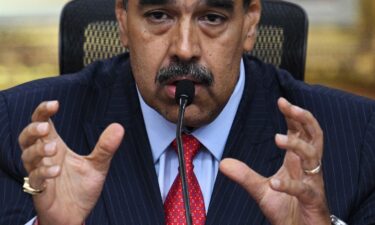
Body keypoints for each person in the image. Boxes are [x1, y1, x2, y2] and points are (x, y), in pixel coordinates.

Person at [0, 0, 374, 224]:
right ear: (122, 20)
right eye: (159, 15)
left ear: (251, 22)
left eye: (212, 17)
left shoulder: (359, 140)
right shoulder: (21, 133)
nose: (184, 48)